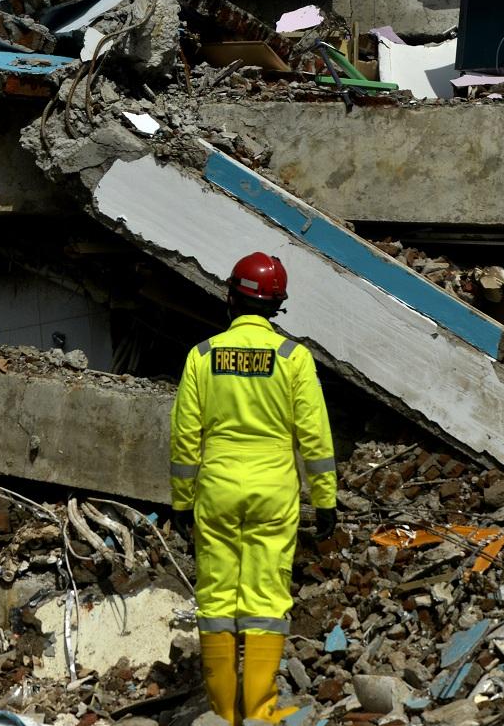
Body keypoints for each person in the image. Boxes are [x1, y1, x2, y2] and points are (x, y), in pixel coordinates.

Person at [169, 251, 338, 726]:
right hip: (273, 493)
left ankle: (223, 712)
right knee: (265, 599)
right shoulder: (293, 358)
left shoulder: (202, 356)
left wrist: (183, 500)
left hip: (217, 489)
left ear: (231, 298)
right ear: (277, 305)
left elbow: (185, 435)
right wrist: (324, 497)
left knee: (218, 599)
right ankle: (260, 711)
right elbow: (314, 436)